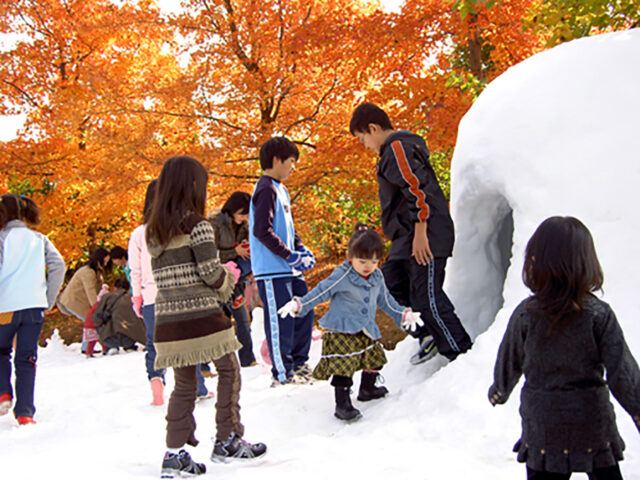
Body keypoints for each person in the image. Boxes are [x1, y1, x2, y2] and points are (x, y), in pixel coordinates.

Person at [488, 216, 640, 480]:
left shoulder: (525, 315)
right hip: (591, 422)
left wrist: (500, 390)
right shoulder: (598, 315)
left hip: (543, 426)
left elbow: (509, 359)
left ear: (536, 261)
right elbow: (622, 373)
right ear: (586, 262)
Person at [146, 156, 266, 478]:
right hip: (202, 317)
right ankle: (227, 439)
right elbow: (211, 275)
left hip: (170, 322)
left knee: (184, 386)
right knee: (229, 371)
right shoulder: (198, 226)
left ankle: (174, 456)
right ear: (192, 186)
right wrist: (231, 280)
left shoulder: (154, 231)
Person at [349, 102, 472, 365]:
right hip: (406, 237)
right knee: (389, 285)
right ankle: (426, 333)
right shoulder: (390, 154)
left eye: (363, 139)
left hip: (426, 234)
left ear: (373, 128)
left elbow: (418, 190)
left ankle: (461, 354)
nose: (365, 145)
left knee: (426, 296)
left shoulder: (397, 147)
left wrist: (420, 231)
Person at [278, 223, 423, 421]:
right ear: (351, 257)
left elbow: (386, 300)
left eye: (373, 261)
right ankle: (342, 404)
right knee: (343, 367)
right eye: (362, 261)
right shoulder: (343, 275)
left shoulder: (377, 276)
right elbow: (322, 291)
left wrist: (403, 314)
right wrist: (299, 304)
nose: (368, 267)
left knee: (374, 359)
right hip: (341, 329)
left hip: (364, 328)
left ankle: (367, 388)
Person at [249, 136, 316, 386]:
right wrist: (290, 255)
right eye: (291, 161)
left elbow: (289, 227)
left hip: (290, 269)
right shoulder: (266, 188)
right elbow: (262, 231)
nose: (293, 167)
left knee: (304, 310)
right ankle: (283, 373)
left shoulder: (281, 189)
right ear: (276, 160)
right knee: (281, 320)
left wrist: (301, 249)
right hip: (272, 269)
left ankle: (300, 364)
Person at [0, 193, 66, 425]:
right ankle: (26, 412)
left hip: (5, 307)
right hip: (34, 307)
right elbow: (59, 265)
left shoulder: (2, 239)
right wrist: (48, 299)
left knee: (1, 351)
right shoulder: (39, 239)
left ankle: (3, 393)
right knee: (27, 358)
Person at [128, 179, 167, 405]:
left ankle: (156, 379)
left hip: (151, 297)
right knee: (182, 342)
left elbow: (135, 270)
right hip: (174, 295)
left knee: (154, 343)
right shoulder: (174, 230)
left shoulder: (139, 233)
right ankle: (198, 386)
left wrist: (137, 297)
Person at [211, 191, 257, 367]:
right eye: (242, 213)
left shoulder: (244, 225)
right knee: (216, 323)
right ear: (232, 210)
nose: (245, 218)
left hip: (236, 279)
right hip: (217, 279)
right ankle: (209, 364)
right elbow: (209, 255)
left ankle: (248, 358)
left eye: (247, 214)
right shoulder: (215, 224)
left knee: (242, 319)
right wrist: (234, 252)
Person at [93, 277, 146, 355]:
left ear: (114, 288)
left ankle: (110, 347)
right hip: (131, 337)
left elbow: (96, 319)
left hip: (109, 337)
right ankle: (129, 346)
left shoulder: (106, 297)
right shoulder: (132, 299)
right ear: (128, 289)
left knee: (99, 325)